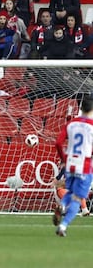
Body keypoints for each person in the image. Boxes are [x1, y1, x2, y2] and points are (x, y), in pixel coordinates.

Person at [53, 95, 93, 237]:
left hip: (70, 163)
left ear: (81, 108)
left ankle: (62, 205)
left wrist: (64, 158)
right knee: (77, 198)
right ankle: (63, 226)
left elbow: (58, 143)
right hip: (85, 165)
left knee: (70, 191)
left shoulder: (71, 123)